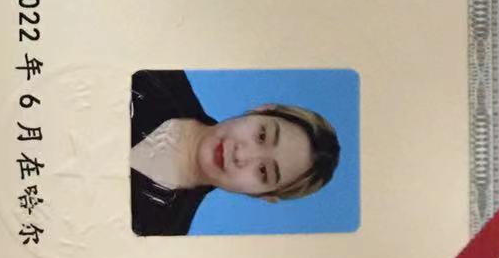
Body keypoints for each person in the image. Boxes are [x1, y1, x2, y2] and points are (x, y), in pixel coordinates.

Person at [130, 68, 341, 236]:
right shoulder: (152, 76)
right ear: (262, 110)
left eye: (263, 172)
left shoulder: (161, 232)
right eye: (262, 136)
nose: (241, 155)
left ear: (263, 196)